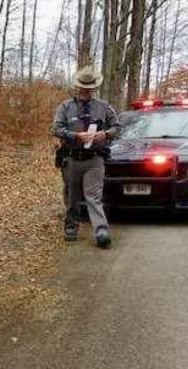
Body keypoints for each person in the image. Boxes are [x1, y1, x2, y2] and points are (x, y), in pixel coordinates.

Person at [51, 66, 121, 248]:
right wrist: (75, 136)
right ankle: (71, 226)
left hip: (95, 159)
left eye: (89, 87)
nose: (85, 90)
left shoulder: (104, 107)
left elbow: (117, 127)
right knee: (72, 196)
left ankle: (101, 231)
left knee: (93, 196)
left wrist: (105, 134)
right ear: (77, 87)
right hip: (72, 158)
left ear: (94, 88)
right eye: (83, 86)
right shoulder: (65, 107)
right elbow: (56, 129)